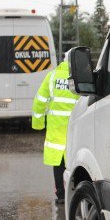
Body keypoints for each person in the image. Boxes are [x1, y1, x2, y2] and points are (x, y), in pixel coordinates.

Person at [32, 53, 80, 204]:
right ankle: (76, 193)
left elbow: (39, 101)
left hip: (56, 128)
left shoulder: (52, 77)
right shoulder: (79, 78)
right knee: (76, 162)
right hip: (76, 128)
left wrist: (38, 124)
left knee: (58, 163)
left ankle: (61, 195)